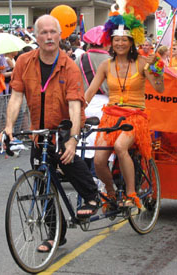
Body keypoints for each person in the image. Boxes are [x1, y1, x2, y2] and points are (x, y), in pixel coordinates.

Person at [0, 14, 99, 252]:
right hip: (39, 132)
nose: (48, 36)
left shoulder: (69, 66)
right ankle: (55, 234)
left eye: (52, 32)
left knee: (68, 157)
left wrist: (73, 139)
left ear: (59, 35)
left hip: (64, 126)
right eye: (43, 32)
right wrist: (9, 127)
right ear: (36, 35)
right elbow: (16, 97)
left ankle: (92, 196)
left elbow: (75, 105)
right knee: (43, 185)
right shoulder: (24, 62)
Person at [85, 10, 164, 209]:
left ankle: (131, 195)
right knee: (98, 159)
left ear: (132, 42)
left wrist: (157, 69)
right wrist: (76, 112)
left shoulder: (143, 63)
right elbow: (89, 92)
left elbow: (159, 88)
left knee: (120, 147)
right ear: (110, 42)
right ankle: (111, 193)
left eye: (124, 40)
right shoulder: (105, 65)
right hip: (110, 118)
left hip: (135, 117)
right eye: (116, 40)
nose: (120, 43)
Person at [75, 25, 110, 174]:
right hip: (105, 105)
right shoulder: (111, 60)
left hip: (84, 103)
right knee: (102, 146)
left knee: (83, 143)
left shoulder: (80, 59)